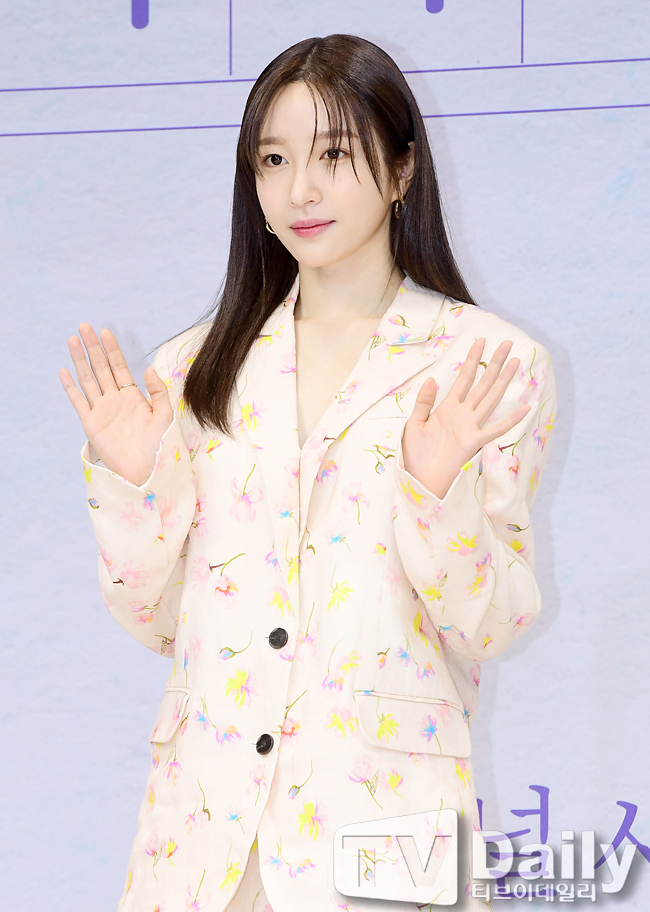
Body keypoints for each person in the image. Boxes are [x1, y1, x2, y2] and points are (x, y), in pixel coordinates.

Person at [60, 33, 556, 912]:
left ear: (402, 168)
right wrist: (139, 488)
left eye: (333, 155)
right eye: (274, 160)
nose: (301, 191)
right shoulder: (190, 372)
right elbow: (161, 621)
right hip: (203, 845)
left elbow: (493, 622)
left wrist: (435, 495)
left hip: (381, 833)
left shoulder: (487, 365)